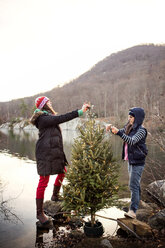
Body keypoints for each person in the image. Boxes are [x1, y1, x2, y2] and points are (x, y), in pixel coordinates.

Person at [30, 96, 90, 224]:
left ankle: (55, 196)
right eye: (48, 101)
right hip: (45, 153)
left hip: (54, 151)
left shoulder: (47, 116)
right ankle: (39, 213)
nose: (51, 102)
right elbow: (61, 118)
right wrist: (80, 111)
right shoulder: (43, 118)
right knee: (43, 181)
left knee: (63, 171)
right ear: (44, 105)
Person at [106, 107, 148, 218]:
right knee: (135, 183)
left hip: (138, 162)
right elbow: (121, 132)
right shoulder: (130, 127)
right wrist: (112, 128)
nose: (129, 119)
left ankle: (133, 211)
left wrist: (119, 133)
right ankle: (138, 202)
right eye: (129, 116)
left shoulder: (141, 130)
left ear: (137, 118)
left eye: (131, 117)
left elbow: (132, 141)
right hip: (131, 160)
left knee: (133, 185)